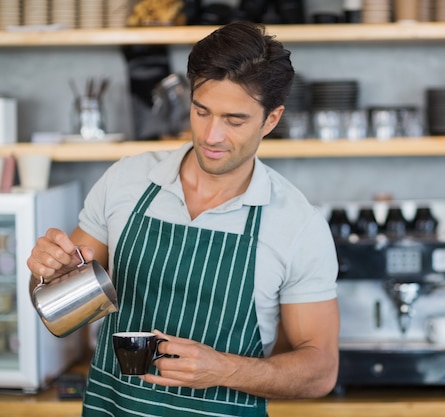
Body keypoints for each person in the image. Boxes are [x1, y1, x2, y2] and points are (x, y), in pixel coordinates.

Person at [27, 21, 339, 417]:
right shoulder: (127, 180)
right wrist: (49, 273)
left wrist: (223, 369)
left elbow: (321, 370)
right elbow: (59, 312)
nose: (211, 135)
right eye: (201, 111)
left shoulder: (298, 224)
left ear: (271, 120)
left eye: (235, 120)